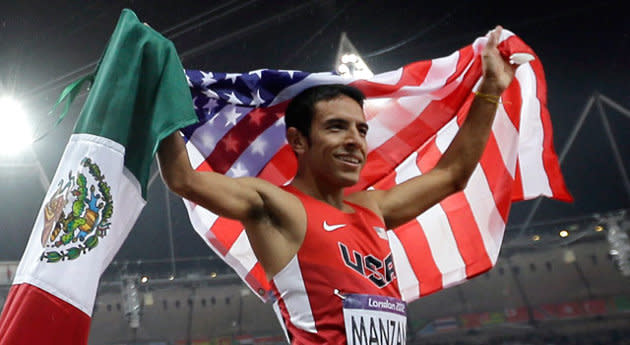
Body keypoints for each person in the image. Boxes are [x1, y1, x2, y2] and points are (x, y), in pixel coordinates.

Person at [158, 26, 515, 344]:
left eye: (361, 130)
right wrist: (159, 92)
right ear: (297, 140)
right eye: (336, 127)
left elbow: (451, 175)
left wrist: (490, 89)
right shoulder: (276, 206)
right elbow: (183, 179)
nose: (355, 141)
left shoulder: (373, 208)